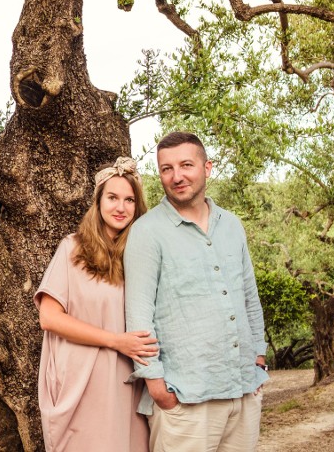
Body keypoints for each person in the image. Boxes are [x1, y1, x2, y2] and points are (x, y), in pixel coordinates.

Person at [124, 132, 269, 452]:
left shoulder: (232, 225)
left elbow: (248, 296)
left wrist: (259, 355)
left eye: (186, 165)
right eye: (166, 169)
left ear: (207, 167)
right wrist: (157, 386)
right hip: (185, 400)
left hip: (243, 389)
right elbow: (138, 314)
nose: (177, 176)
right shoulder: (147, 232)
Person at [35, 157, 158, 452]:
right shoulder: (73, 248)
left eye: (129, 200)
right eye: (112, 197)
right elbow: (49, 318)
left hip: (124, 383)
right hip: (79, 380)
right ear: (98, 201)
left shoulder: (140, 256)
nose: (121, 207)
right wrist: (116, 341)